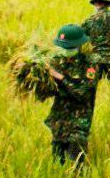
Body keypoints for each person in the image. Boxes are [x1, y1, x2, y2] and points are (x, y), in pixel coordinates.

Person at [42, 24, 100, 166]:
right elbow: (50, 90)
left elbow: (82, 93)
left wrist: (60, 78)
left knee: (76, 163)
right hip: (59, 119)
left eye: (69, 48)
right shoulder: (56, 61)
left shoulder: (90, 65)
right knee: (57, 163)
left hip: (79, 121)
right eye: (63, 47)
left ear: (79, 46)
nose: (65, 51)